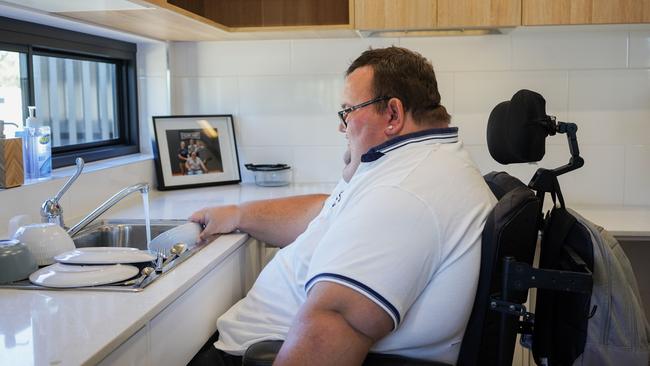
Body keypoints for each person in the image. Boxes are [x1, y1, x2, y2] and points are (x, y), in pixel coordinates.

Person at [189, 46, 496, 365]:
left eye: (348, 111)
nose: (342, 126)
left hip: (256, 354)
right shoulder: (414, 163)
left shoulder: (403, 192)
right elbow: (327, 214)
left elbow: (333, 323)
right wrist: (239, 214)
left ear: (392, 114)